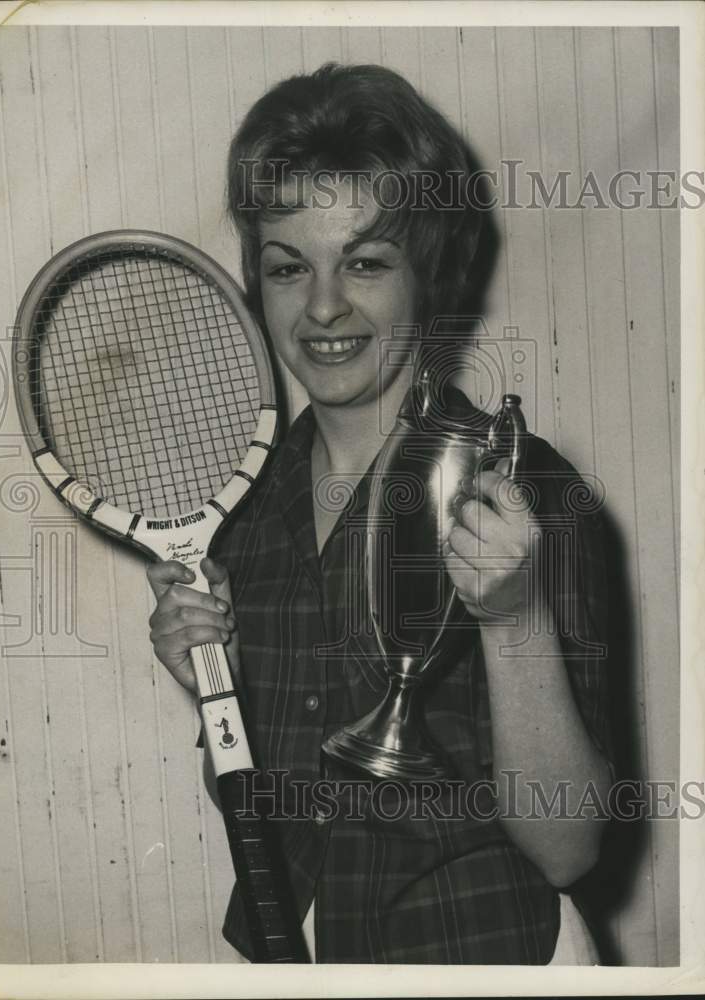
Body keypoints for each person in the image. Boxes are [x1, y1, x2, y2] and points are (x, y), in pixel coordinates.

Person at [146, 63, 613, 964]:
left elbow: (569, 848)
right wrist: (217, 683)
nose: (322, 306)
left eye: (364, 261)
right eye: (288, 267)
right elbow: (261, 801)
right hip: (293, 957)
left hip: (479, 959)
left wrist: (513, 620)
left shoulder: (523, 488)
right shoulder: (241, 509)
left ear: (426, 273)